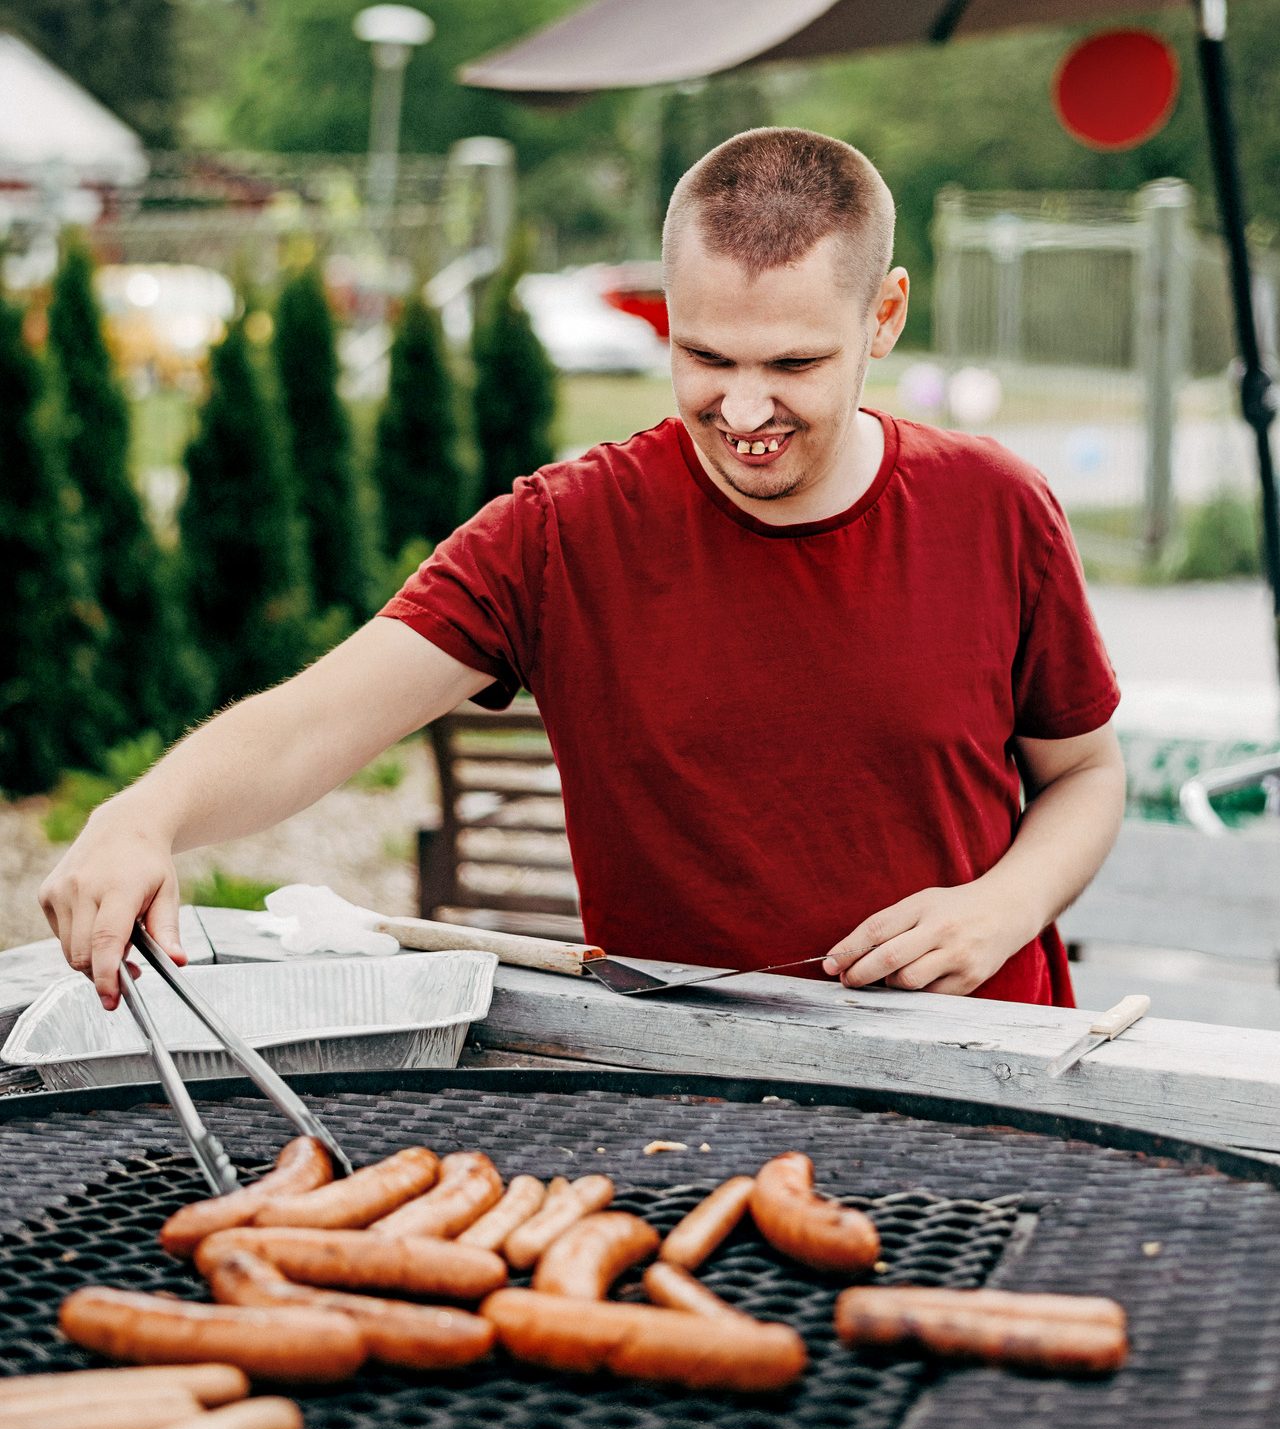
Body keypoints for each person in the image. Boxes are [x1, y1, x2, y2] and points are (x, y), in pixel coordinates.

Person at [40, 127, 1124, 1013]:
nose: (742, 412)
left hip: (993, 1070)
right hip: (679, 1098)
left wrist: (1005, 903)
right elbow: (314, 722)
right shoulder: (561, 531)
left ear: (880, 315)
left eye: (792, 364)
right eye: (705, 357)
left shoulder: (996, 506)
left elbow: (1081, 773)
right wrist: (146, 815)